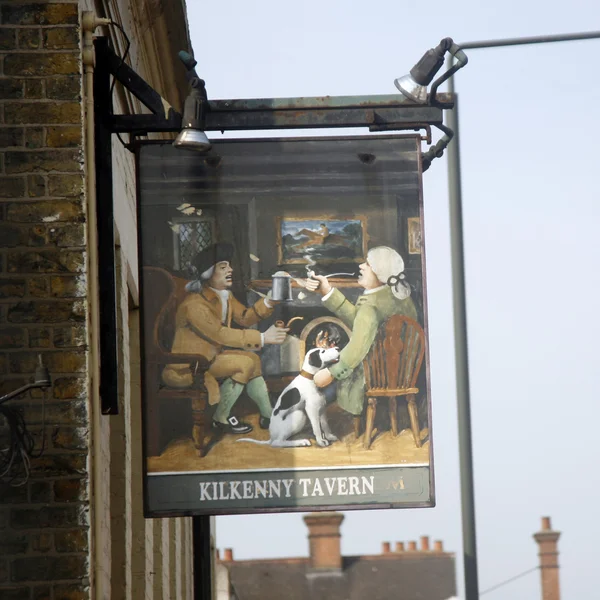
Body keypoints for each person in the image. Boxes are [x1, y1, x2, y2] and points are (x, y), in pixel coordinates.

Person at [162, 242, 288, 434]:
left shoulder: (225, 296)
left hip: (208, 358)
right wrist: (262, 337)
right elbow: (219, 334)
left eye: (229, 265)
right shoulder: (194, 304)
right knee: (244, 364)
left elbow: (245, 317)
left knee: (253, 359)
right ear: (208, 273)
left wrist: (268, 301)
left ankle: (269, 415)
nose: (230, 270)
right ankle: (220, 418)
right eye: (223, 267)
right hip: (188, 366)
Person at [304, 246, 417, 416]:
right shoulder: (395, 296)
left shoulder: (370, 307)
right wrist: (327, 290)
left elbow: (358, 344)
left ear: (381, 273)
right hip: (403, 373)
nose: (361, 266)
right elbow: (362, 325)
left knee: (324, 382)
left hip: (377, 376)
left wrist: (330, 373)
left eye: (368, 264)